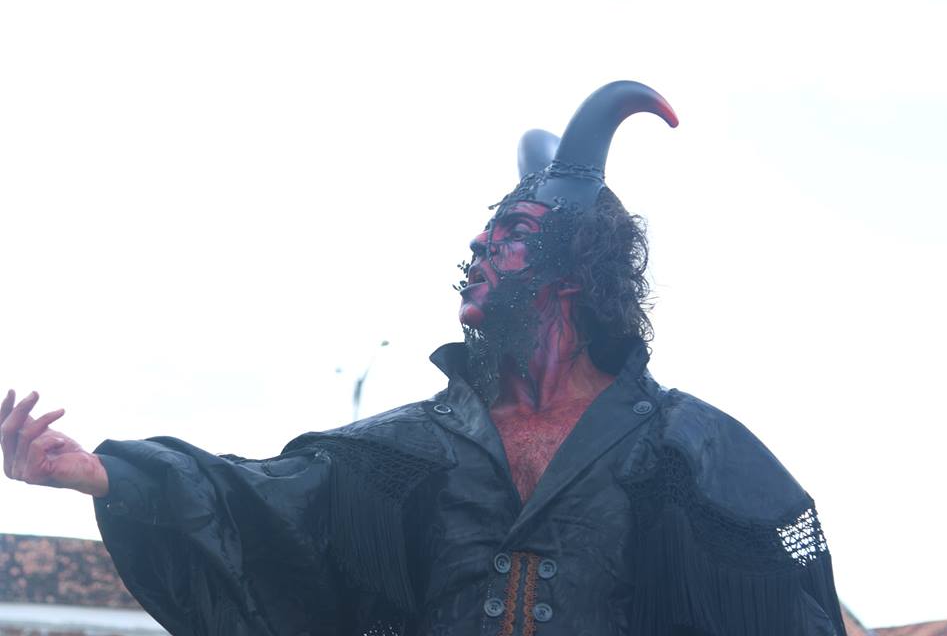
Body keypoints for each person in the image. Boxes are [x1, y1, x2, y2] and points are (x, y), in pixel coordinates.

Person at [1, 81, 847, 636]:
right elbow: (254, 501)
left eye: (509, 237)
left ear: (575, 271)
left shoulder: (686, 450)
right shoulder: (405, 452)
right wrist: (107, 474)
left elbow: (789, 599)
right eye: (481, 237)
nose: (478, 252)